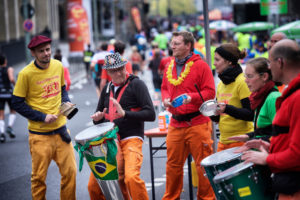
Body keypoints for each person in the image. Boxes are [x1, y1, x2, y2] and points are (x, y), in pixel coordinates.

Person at [11, 35, 77, 200]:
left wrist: (66, 102)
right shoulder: (26, 74)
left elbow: (62, 89)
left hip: (62, 131)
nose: (47, 53)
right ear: (33, 53)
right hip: (39, 136)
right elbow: (16, 103)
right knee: (39, 179)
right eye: (42, 51)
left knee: (70, 173)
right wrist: (42, 117)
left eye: (48, 49)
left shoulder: (58, 65)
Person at [88, 52, 155, 200]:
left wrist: (125, 113)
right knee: (94, 186)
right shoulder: (106, 88)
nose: (118, 73)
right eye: (113, 70)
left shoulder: (137, 84)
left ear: (125, 67)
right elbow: (97, 115)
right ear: (107, 72)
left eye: (120, 68)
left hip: (131, 138)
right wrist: (97, 118)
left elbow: (151, 114)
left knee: (130, 178)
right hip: (110, 141)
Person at [241, 39, 300, 199]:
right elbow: (289, 137)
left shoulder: (297, 97)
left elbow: (297, 154)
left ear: (280, 62)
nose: (269, 67)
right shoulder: (292, 93)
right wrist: (270, 145)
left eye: (270, 62)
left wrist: (267, 158)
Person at [161, 31, 215, 200]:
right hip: (175, 124)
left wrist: (192, 97)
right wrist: (165, 100)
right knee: (172, 166)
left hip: (197, 122)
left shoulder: (201, 65)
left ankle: (206, 198)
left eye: (176, 43)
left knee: (203, 165)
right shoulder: (169, 65)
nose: (172, 46)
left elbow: (211, 92)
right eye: (172, 43)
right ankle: (171, 198)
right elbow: (164, 88)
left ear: (188, 46)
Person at [212, 43, 254, 151]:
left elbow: (250, 114)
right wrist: (210, 112)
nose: (214, 63)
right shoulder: (221, 84)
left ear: (229, 61)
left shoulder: (242, 81)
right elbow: (218, 118)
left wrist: (227, 108)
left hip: (241, 142)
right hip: (223, 141)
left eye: (217, 60)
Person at [228, 57, 281, 142]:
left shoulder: (273, 98)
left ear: (264, 76)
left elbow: (281, 135)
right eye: (245, 76)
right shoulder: (260, 97)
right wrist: (249, 136)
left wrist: (255, 140)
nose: (246, 80)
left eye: (250, 76)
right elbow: (265, 130)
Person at [0, 53, 16, 142]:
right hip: (9, 93)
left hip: (0, 95)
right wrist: (16, 86)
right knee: (13, 111)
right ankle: (9, 127)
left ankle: (2, 134)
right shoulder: (9, 69)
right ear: (5, 61)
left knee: (1, 115)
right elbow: (11, 79)